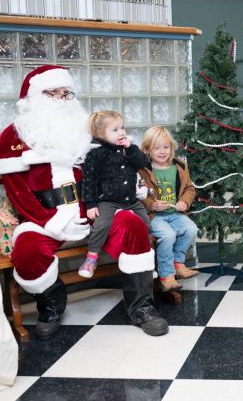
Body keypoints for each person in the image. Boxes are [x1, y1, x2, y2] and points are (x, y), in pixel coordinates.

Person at [0, 66, 168, 338]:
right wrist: (50, 221)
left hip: (96, 206)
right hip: (44, 215)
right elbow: (17, 189)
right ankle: (52, 305)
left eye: (66, 93)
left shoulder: (86, 128)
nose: (61, 99)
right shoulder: (12, 136)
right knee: (27, 250)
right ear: (32, 97)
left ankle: (142, 307)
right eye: (52, 93)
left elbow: (109, 168)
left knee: (133, 224)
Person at [79, 111, 151, 279]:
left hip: (131, 200)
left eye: (122, 128)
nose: (122, 132)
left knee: (146, 225)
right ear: (100, 134)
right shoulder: (96, 154)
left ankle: (145, 261)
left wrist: (131, 148)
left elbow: (142, 164)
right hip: (108, 201)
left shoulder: (128, 149)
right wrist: (91, 204)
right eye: (115, 130)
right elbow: (89, 180)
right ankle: (92, 257)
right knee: (101, 225)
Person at [139, 126, 198, 292]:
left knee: (191, 229)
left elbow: (189, 188)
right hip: (155, 216)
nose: (162, 151)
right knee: (168, 235)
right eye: (156, 148)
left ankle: (177, 263)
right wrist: (152, 204)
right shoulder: (143, 170)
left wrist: (185, 203)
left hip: (175, 213)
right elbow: (138, 194)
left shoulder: (180, 166)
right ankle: (166, 275)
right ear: (147, 149)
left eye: (166, 147)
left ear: (171, 148)